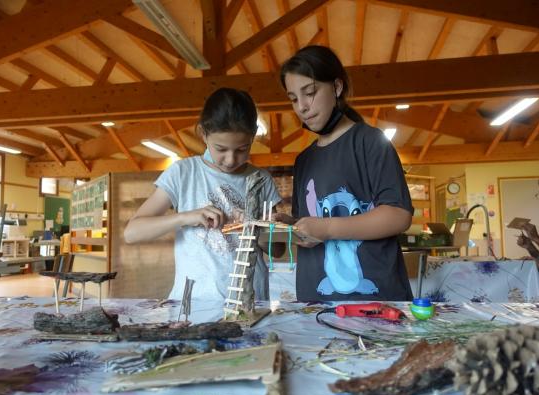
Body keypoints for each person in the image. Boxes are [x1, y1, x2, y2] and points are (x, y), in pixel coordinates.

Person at [274, 45, 414, 301]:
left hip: (374, 301)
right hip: (315, 298)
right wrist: (292, 227)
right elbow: (313, 223)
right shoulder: (304, 159)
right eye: (294, 98)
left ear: (337, 87)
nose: (302, 107)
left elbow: (398, 215)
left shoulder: (371, 142)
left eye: (310, 93)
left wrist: (327, 228)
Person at [124, 88, 282, 302]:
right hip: (194, 305)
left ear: (254, 135)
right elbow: (132, 233)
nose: (230, 159)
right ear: (203, 134)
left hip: (249, 304)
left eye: (242, 149)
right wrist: (185, 217)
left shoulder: (261, 179)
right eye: (221, 149)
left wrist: (256, 228)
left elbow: (278, 249)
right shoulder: (183, 173)